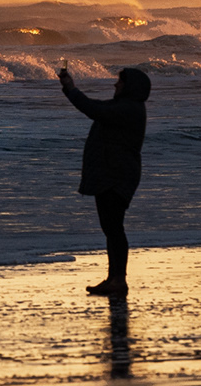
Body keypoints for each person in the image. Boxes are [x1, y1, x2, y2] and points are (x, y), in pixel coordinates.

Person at [57, 64, 150, 297]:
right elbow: (95, 108)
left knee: (114, 228)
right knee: (112, 228)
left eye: (120, 82)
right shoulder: (125, 106)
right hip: (113, 174)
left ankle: (118, 280)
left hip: (117, 176)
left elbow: (92, 109)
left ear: (131, 87)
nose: (115, 84)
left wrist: (71, 89)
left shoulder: (129, 109)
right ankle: (114, 278)